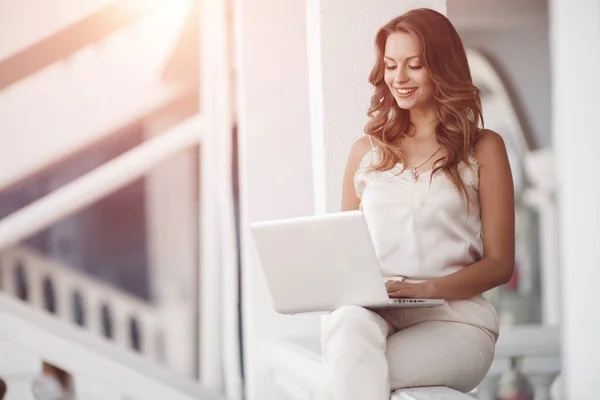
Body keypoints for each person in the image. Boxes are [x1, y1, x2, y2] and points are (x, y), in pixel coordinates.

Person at [320, 8, 514, 400]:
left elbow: (500, 265)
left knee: (351, 371)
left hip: (456, 322)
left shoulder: (483, 147)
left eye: (414, 65)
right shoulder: (366, 153)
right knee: (346, 324)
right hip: (377, 315)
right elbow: (347, 255)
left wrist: (423, 288)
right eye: (391, 65)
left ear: (442, 67)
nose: (399, 78)